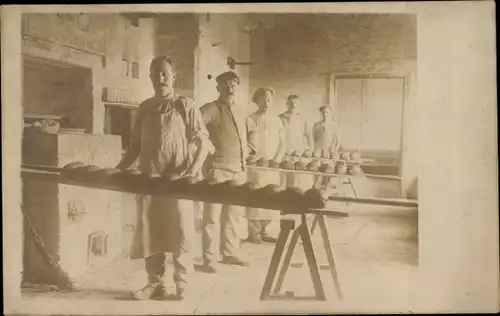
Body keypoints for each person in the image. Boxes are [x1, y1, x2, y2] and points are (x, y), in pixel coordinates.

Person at [116, 56, 213, 301]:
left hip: (178, 183)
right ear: (149, 77)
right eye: (155, 73)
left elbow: (203, 142)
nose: (160, 78)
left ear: (173, 76)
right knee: (151, 232)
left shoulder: (185, 105)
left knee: (180, 232)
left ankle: (183, 285)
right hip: (150, 181)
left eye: (164, 73)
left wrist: (191, 172)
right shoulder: (145, 107)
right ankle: (155, 283)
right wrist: (118, 170)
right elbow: (135, 146)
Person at [198, 71, 249, 274]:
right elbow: (195, 131)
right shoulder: (209, 109)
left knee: (234, 215)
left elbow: (245, 135)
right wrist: (208, 147)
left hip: (239, 169)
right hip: (217, 170)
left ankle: (230, 253)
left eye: (233, 85)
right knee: (211, 217)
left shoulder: (241, 110)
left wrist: (248, 151)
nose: (230, 89)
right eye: (226, 85)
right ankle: (208, 259)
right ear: (218, 88)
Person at [245, 88, 286, 244]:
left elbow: (283, 144)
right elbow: (245, 142)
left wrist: (276, 159)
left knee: (271, 196)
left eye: (269, 100)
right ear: (257, 101)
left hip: (271, 165)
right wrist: (251, 157)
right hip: (255, 165)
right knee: (255, 195)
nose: (267, 103)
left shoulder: (277, 121)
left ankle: (264, 230)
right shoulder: (250, 119)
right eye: (263, 100)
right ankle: (253, 233)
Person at [278, 95, 314, 189]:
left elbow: (309, 136)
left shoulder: (302, 119)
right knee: (281, 183)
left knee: (295, 184)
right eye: (291, 103)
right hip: (283, 154)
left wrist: (310, 149)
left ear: (299, 104)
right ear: (287, 104)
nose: (293, 105)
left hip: (297, 155)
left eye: (296, 103)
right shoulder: (280, 118)